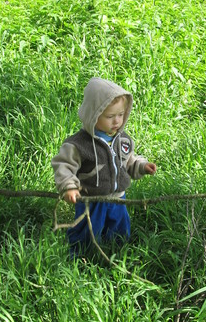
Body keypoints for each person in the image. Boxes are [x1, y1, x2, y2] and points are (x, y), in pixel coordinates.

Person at [52, 77, 157, 255]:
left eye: (120, 114)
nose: (117, 121)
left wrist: (142, 166)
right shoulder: (79, 145)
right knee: (87, 229)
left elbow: (128, 160)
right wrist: (69, 187)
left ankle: (117, 251)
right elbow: (64, 166)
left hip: (118, 197)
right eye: (110, 116)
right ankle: (80, 255)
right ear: (93, 114)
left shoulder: (121, 140)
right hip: (92, 200)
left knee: (119, 227)